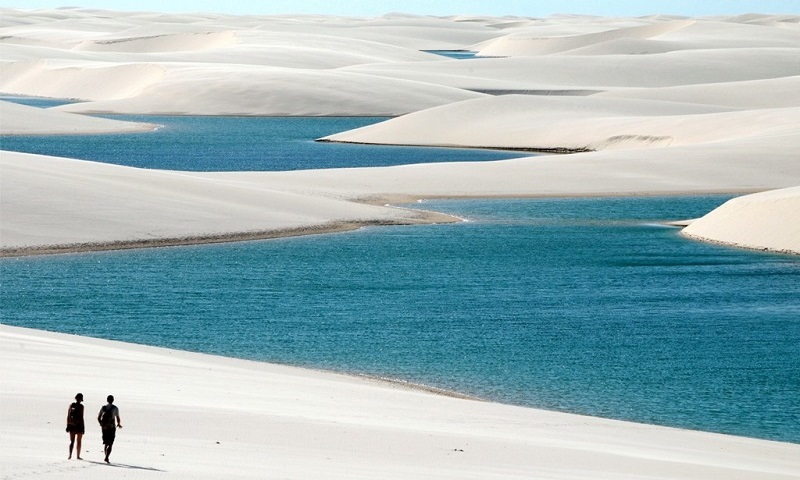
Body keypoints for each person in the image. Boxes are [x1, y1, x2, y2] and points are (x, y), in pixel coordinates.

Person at [97, 395, 122, 463]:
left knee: (106, 443)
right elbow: (117, 418)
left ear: (107, 400)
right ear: (113, 400)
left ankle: (106, 456)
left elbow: (99, 417)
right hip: (111, 427)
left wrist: (101, 424)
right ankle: (107, 457)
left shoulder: (103, 408)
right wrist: (119, 424)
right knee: (110, 443)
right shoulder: (115, 408)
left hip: (104, 428)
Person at [66, 393, 85, 460]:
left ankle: (70, 455)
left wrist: (67, 425)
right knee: (79, 441)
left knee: (72, 441)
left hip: (72, 425)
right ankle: (78, 456)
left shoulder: (71, 405)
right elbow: (82, 417)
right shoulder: (81, 406)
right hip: (79, 425)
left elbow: (68, 416)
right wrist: (83, 427)